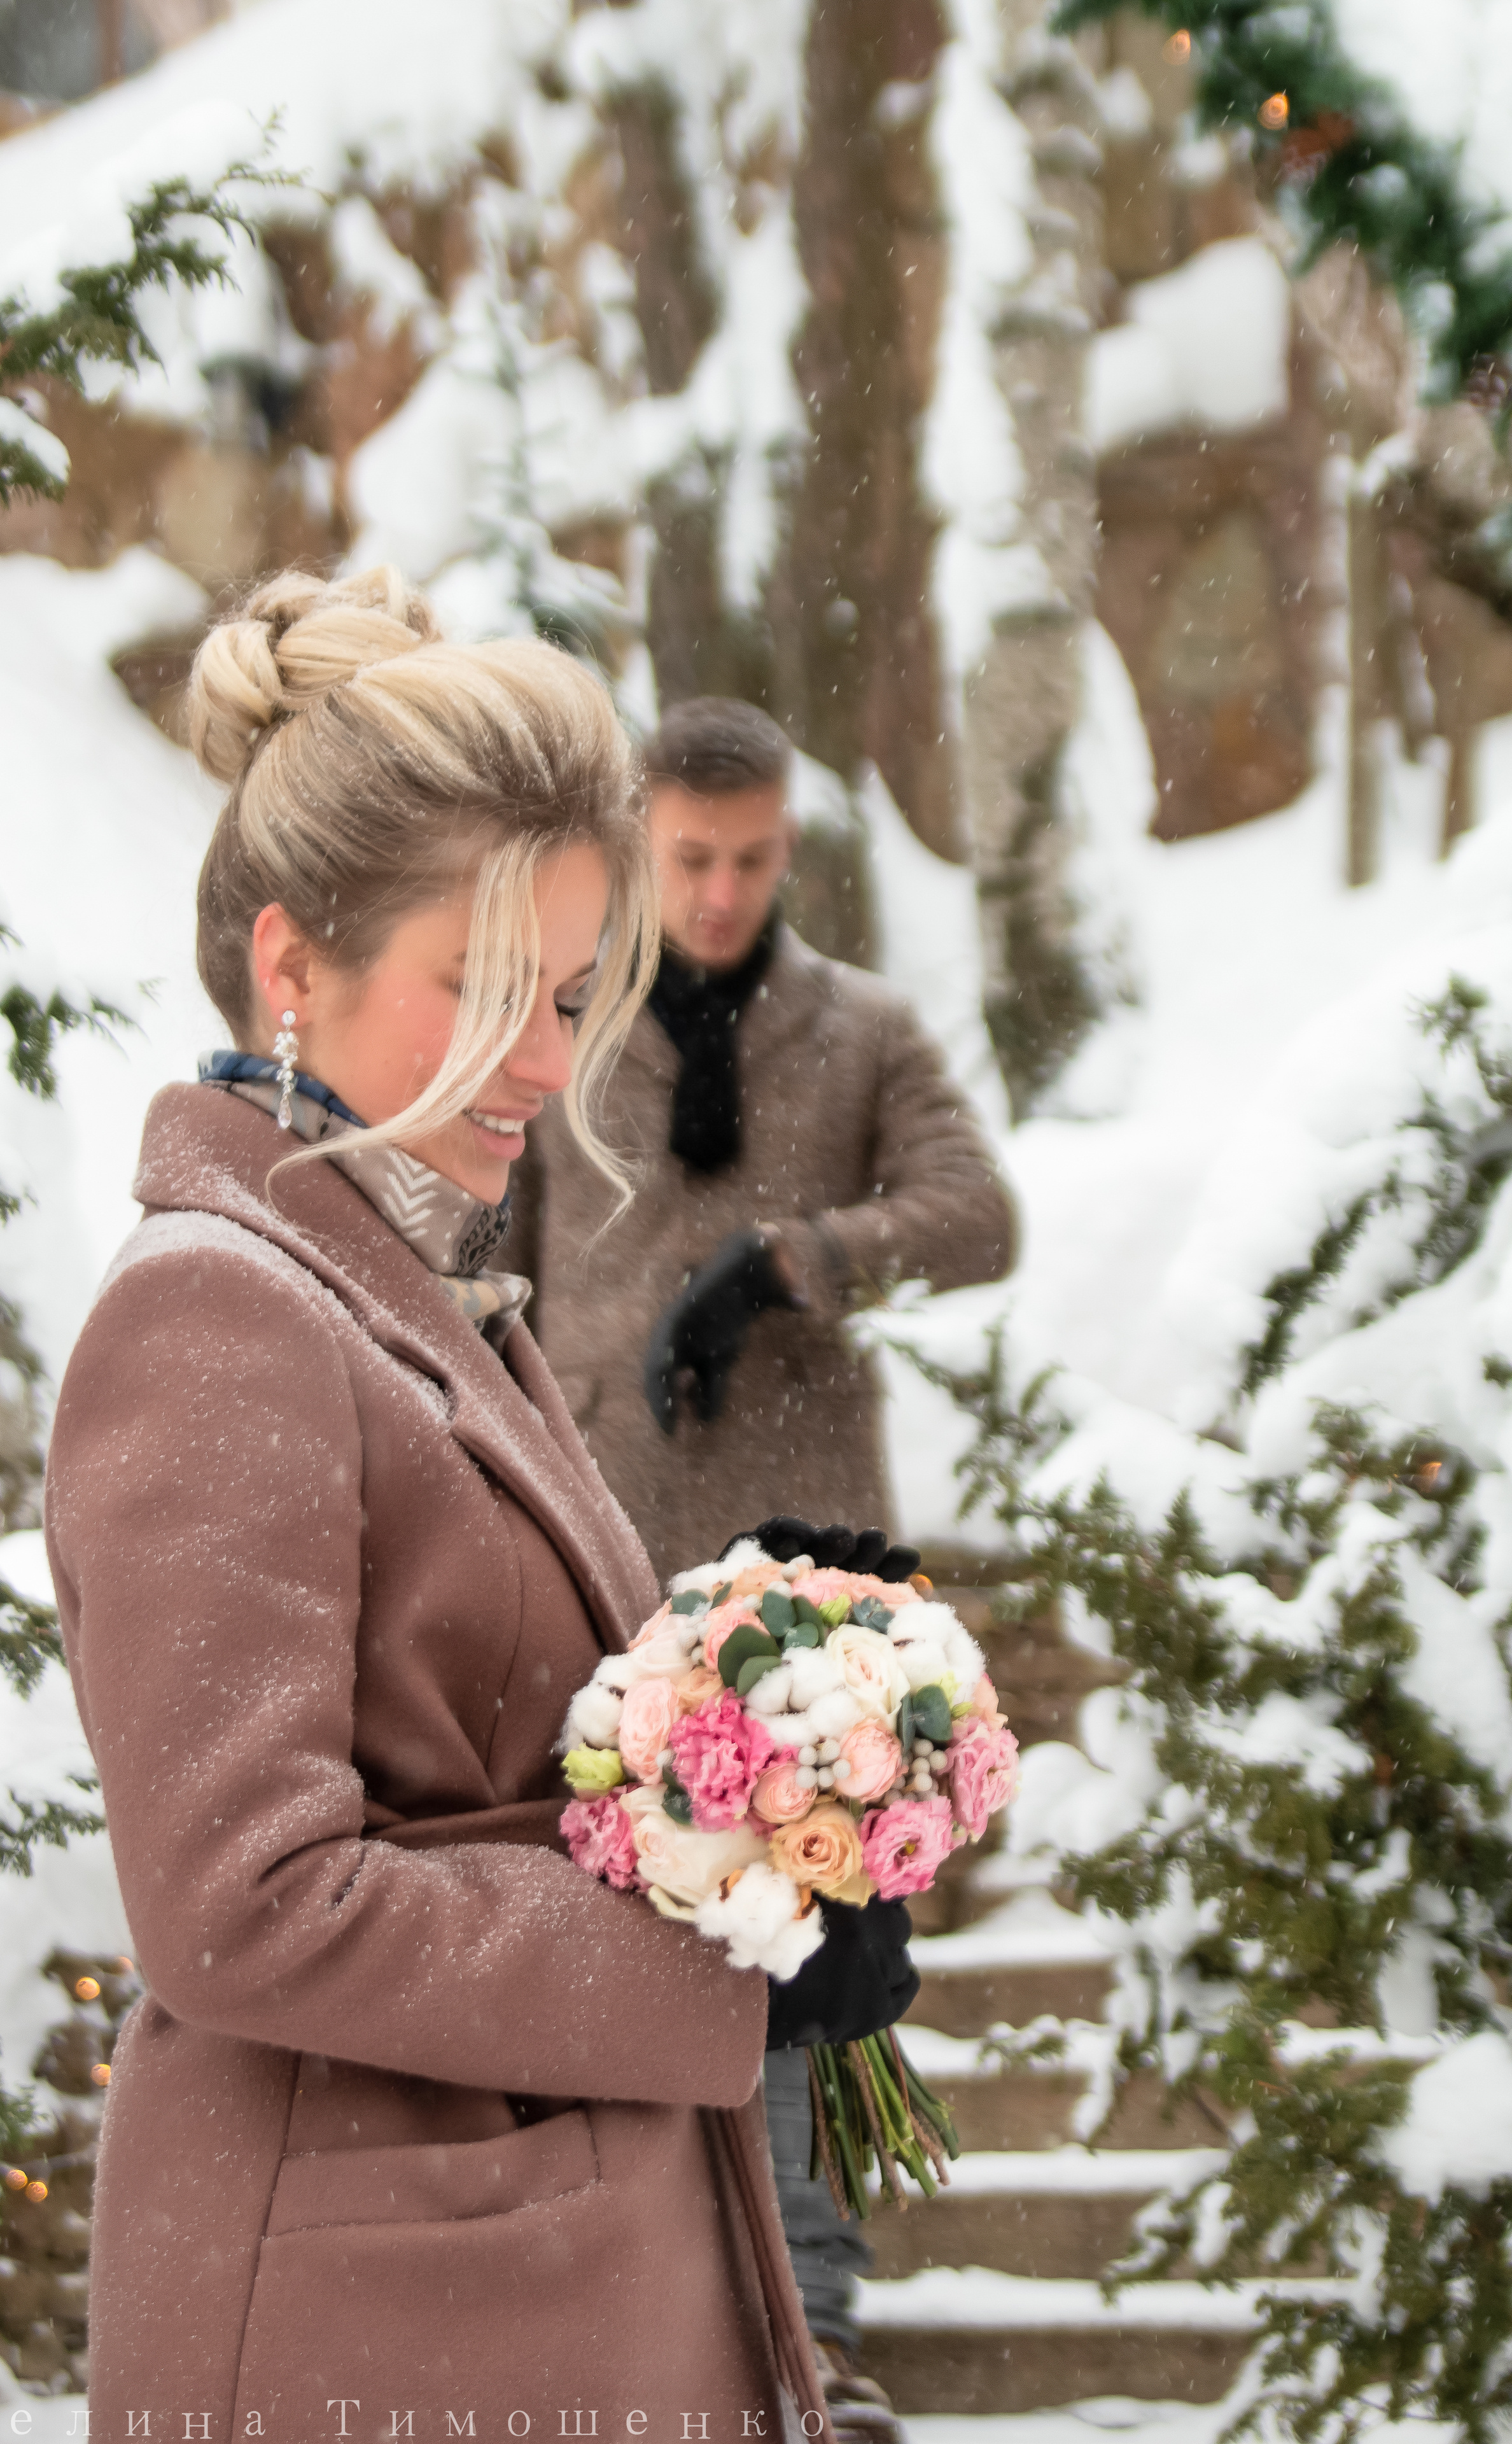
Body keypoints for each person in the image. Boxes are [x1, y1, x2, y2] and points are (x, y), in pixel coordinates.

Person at [42, 572, 919, 2444]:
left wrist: (763, 1719)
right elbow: (245, 1905)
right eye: (491, 987)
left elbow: (496, 1742)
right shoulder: (222, 1315)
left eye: (576, 998)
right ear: (293, 966)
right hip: (381, 2325)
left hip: (514, 2300)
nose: (545, 1058)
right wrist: (722, 1967)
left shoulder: (412, 1285)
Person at [507, 698, 1016, 2433]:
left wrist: (797, 1261)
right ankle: (625, 2318)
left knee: (813, 1942)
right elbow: (483, 1252)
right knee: (611, 1939)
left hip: (806, 1575)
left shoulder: (862, 1026)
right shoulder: (560, 1023)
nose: (719, 894)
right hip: (595, 1542)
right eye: (687, 860)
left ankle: (813, 2329)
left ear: (788, 839)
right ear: (639, 847)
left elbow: (978, 1212)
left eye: (748, 858)